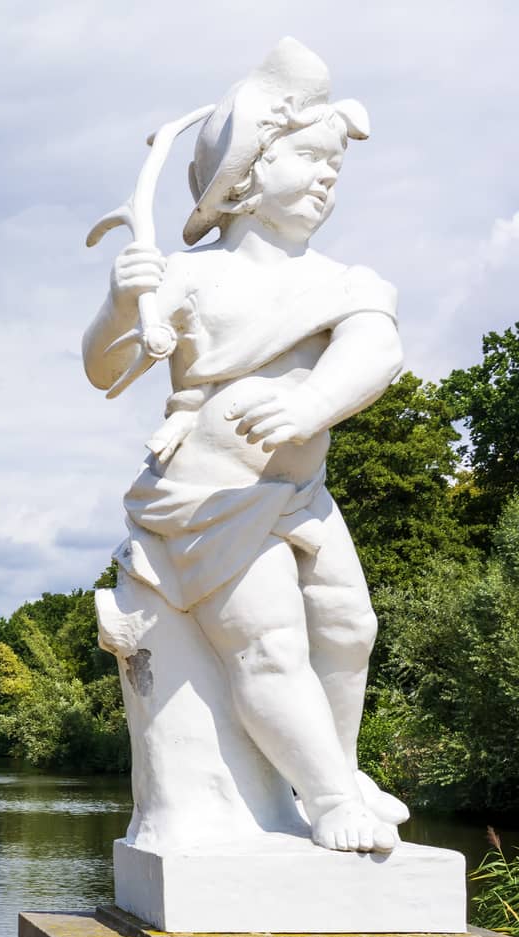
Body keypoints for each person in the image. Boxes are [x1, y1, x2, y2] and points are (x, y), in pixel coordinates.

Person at [83, 39, 407, 853]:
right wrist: (121, 306)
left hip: (300, 495)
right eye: (309, 156)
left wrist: (311, 404)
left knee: (350, 626)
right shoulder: (191, 278)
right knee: (269, 641)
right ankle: (331, 798)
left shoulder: (347, 281)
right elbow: (103, 369)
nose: (329, 174)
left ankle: (337, 764)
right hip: (209, 502)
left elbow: (375, 352)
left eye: (337, 162)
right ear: (247, 174)